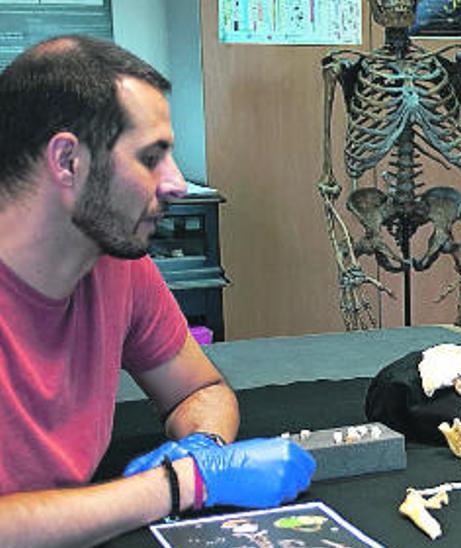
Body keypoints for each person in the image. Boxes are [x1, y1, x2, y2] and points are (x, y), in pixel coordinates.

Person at [0, 35, 315, 546]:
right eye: (151, 158)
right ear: (67, 162)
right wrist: (181, 483)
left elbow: (199, 389)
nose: (176, 185)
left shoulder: (115, 263)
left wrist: (203, 446)